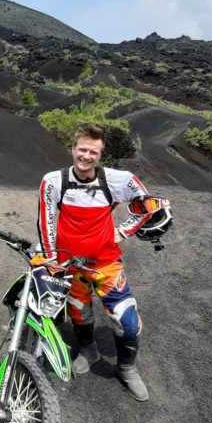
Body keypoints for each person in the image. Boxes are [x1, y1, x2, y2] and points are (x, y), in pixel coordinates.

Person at [37, 124, 172, 401]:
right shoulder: (53, 180)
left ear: (100, 155)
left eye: (93, 152)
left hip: (106, 264)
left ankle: (127, 368)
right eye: (83, 149)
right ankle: (89, 349)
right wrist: (51, 259)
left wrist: (123, 231)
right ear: (73, 149)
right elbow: (46, 220)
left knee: (128, 322)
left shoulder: (118, 180)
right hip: (69, 265)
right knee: (79, 312)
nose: (86, 156)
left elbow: (149, 205)